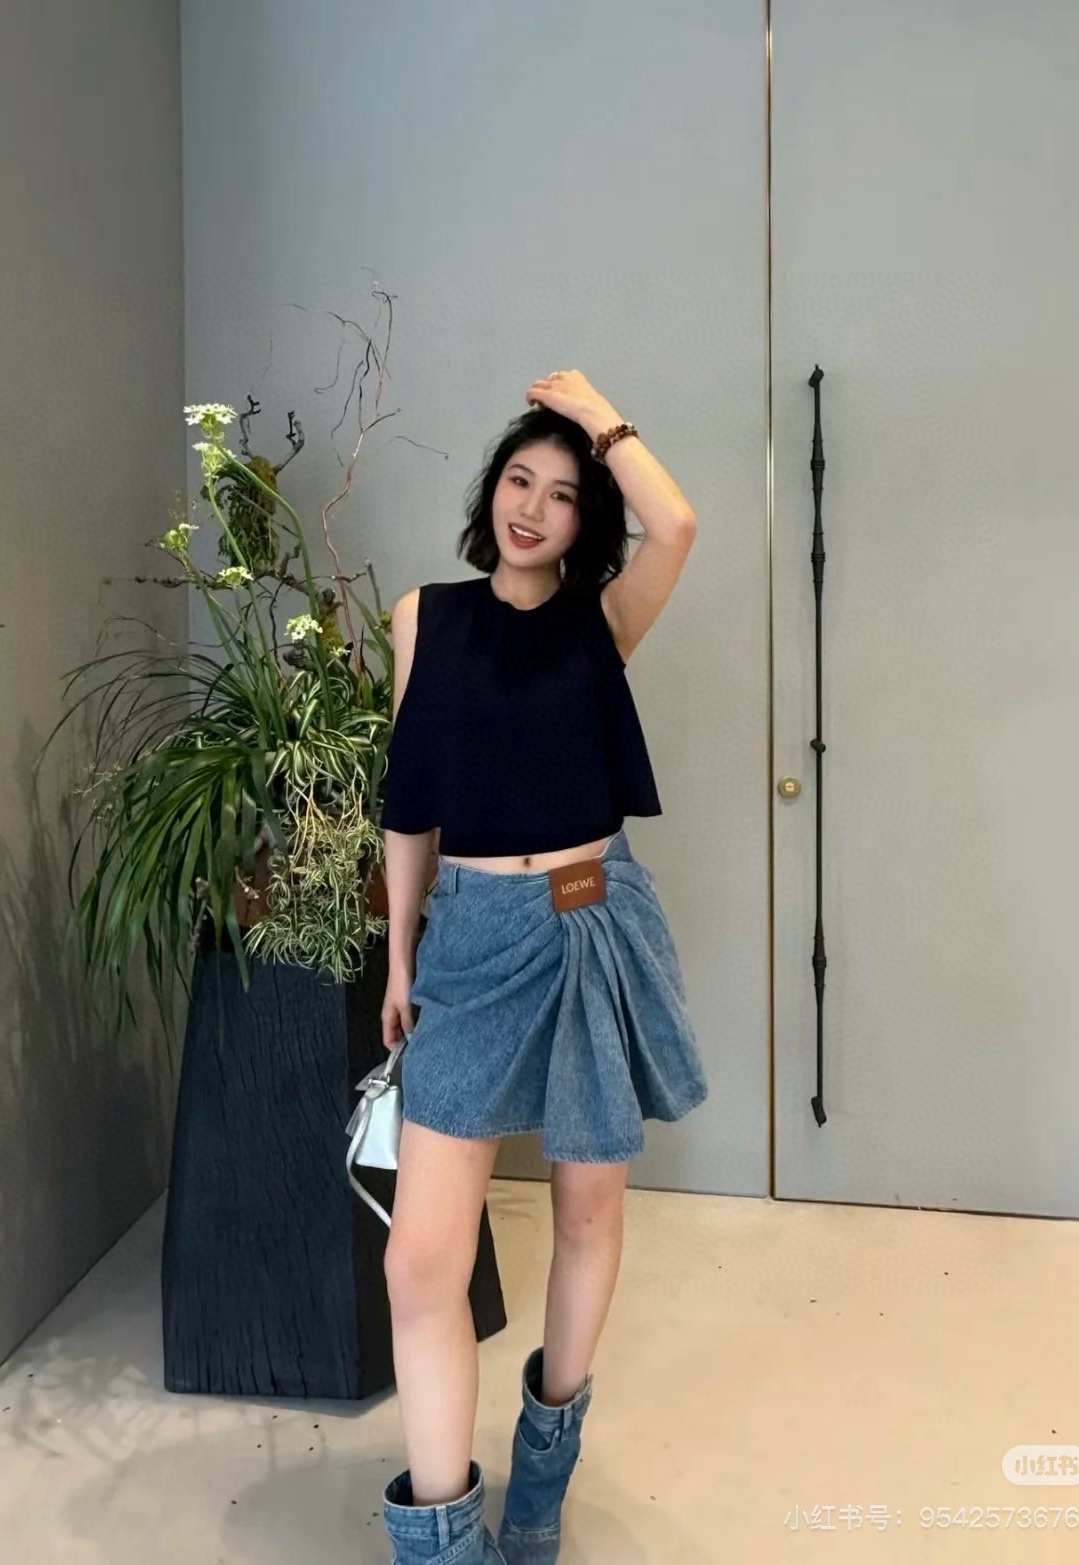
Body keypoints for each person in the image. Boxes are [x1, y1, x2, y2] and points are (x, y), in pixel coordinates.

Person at [376, 370, 708, 1564]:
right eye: (519, 480)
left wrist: (599, 415)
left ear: (583, 518)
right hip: (470, 933)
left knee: (586, 1207)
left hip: (586, 917)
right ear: (491, 492)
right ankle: (440, 1534)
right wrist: (400, 954)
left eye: (562, 493)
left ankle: (543, 1469)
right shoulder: (425, 617)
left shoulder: (599, 621)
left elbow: (677, 523)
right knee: (422, 1254)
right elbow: (409, 803)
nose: (531, 507)